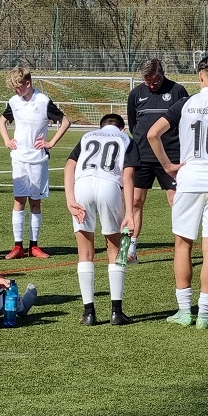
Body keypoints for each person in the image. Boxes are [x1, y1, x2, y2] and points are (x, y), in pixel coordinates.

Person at [147, 54, 208, 330]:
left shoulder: (184, 104)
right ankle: (204, 314)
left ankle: (183, 311)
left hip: (189, 179)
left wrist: (168, 166)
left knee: (183, 244)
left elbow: (152, 134)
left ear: (200, 76)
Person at [64, 114, 132, 326]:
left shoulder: (87, 136)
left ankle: (88, 313)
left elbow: (69, 166)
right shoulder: (125, 138)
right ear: (122, 128)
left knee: (85, 252)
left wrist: (70, 199)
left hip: (82, 186)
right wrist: (130, 212)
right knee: (118, 250)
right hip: (109, 185)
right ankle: (117, 312)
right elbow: (128, 175)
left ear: (100, 127)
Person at [0, 66, 71, 259]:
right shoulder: (14, 102)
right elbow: (1, 122)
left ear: (28, 83)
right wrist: (7, 140)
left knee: (35, 202)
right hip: (19, 158)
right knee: (19, 200)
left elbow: (65, 122)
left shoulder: (43, 101)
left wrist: (50, 143)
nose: (16, 91)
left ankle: (34, 246)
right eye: (14, 88)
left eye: (18, 87)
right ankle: (17, 246)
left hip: (38, 159)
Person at [123, 58, 189, 263]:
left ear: (162, 73)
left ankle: (182, 249)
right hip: (142, 156)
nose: (152, 85)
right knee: (134, 202)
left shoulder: (178, 91)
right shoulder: (136, 94)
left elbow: (185, 122)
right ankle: (128, 250)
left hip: (171, 157)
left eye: (156, 80)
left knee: (176, 202)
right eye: (148, 82)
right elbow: (134, 125)